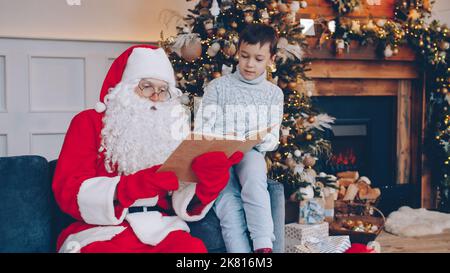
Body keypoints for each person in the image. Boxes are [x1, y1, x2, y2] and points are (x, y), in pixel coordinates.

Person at [52, 45, 243, 253]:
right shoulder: (88, 122)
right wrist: (130, 187)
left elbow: (179, 199)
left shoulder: (173, 131)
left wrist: (208, 184)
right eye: (147, 86)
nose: (155, 96)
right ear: (125, 88)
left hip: (162, 230)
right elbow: (68, 191)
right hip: (102, 231)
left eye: (163, 90)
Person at [194, 24, 284, 253]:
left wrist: (254, 139)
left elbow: (272, 139)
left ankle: (263, 246)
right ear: (237, 53)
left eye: (258, 58)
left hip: (250, 151)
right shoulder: (217, 87)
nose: (250, 64)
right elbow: (203, 128)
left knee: (254, 176)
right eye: (244, 56)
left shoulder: (274, 94)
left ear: (271, 59)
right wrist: (223, 138)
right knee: (227, 202)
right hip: (218, 154)